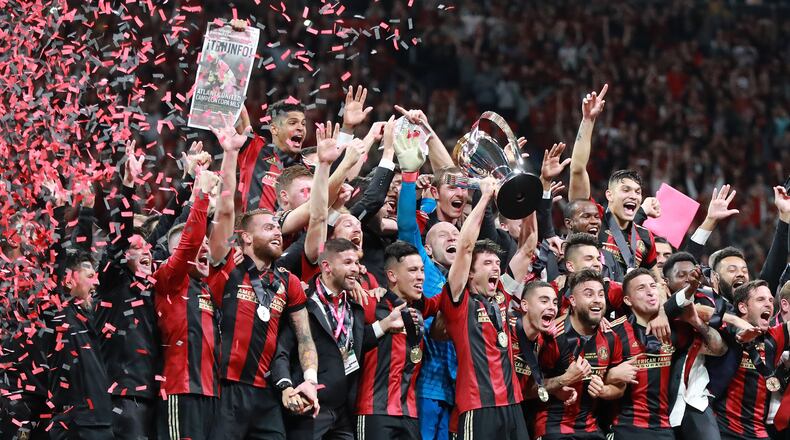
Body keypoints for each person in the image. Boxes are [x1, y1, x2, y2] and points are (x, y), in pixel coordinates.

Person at [208, 116, 320, 440]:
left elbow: (304, 338)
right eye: (268, 227)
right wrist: (230, 154)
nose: (277, 232)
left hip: (267, 395)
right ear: (245, 238)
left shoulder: (289, 282)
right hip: (226, 390)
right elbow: (227, 209)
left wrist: (309, 379)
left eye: (278, 226)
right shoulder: (229, 268)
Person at [432, 177, 527, 440]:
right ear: (470, 274)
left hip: (513, 404)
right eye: (487, 263)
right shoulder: (458, 304)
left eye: (497, 262)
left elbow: (528, 249)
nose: (497, 267)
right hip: (477, 406)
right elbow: (464, 248)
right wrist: (484, 197)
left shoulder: (503, 297)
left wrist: (528, 198)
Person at [272, 238, 392, 440]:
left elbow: (353, 344)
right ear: (326, 266)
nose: (355, 269)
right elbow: (282, 350)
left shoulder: (354, 306)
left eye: (356, 262)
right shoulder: (303, 302)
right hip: (309, 406)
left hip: (342, 409)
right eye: (347, 263)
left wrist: (385, 325)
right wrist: (286, 387)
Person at [608, 268, 727, 440]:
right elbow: (594, 378)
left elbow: (720, 349)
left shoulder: (676, 329)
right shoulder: (614, 333)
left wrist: (695, 320)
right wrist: (610, 375)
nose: (650, 292)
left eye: (652, 286)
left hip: (665, 428)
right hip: (627, 428)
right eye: (641, 288)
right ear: (627, 300)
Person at [356, 241, 434, 440]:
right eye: (413, 270)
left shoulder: (418, 312)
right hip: (374, 411)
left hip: (410, 414)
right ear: (392, 275)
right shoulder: (372, 303)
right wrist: (383, 326)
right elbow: (350, 344)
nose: (421, 276)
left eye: (422, 270)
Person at [536, 269, 626, 440]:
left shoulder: (611, 338)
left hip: (591, 429)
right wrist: (563, 380)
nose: (597, 300)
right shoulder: (552, 336)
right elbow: (529, 388)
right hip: (553, 426)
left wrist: (604, 390)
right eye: (589, 294)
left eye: (601, 294)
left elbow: (620, 387)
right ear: (572, 301)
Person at [716, 280, 790, 440]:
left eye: (771, 300)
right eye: (761, 299)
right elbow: (699, 311)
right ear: (743, 307)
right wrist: (736, 322)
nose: (769, 304)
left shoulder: (776, 336)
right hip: (724, 428)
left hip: (759, 432)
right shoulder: (726, 331)